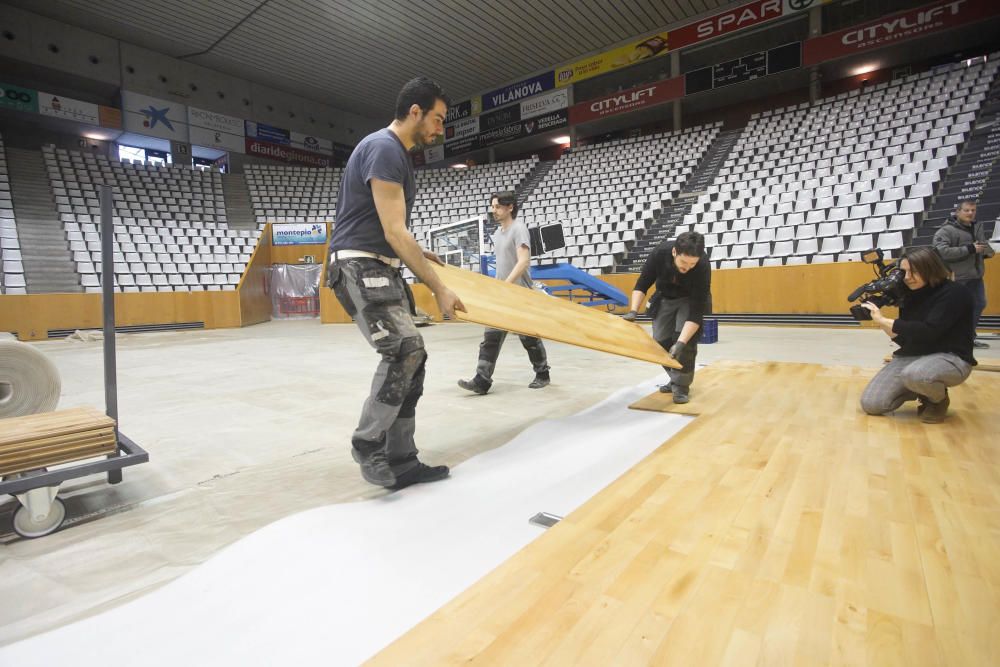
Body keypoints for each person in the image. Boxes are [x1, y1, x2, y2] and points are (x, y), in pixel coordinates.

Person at [327, 76, 465, 489]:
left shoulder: (399, 156)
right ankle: (368, 444)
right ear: (416, 112)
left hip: (380, 264)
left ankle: (402, 460)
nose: (440, 130)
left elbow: (391, 230)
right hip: (359, 264)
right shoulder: (385, 148)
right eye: (438, 120)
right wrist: (439, 287)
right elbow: (393, 230)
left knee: (415, 358)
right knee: (404, 348)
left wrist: (421, 255)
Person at [859, 247, 976, 423]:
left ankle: (937, 400)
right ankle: (919, 387)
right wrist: (879, 322)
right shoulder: (909, 294)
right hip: (913, 355)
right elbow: (904, 340)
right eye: (904, 272)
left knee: (916, 374)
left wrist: (885, 320)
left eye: (913, 272)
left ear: (931, 268)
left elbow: (929, 331)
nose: (907, 278)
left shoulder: (955, 293)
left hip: (951, 357)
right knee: (872, 404)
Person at [457, 192, 550, 395]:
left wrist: (506, 285)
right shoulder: (498, 233)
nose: (494, 210)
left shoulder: (519, 229)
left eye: (497, 206)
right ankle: (482, 379)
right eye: (492, 206)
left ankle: (543, 373)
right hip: (502, 293)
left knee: (529, 338)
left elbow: (523, 260)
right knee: (491, 336)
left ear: (510, 207)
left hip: (519, 293)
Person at [623, 231, 711, 404]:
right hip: (664, 297)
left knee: (684, 345)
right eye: (683, 262)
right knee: (660, 342)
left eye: (692, 264)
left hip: (690, 300)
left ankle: (681, 387)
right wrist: (633, 311)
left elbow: (696, 311)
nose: (687, 267)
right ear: (674, 252)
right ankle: (675, 378)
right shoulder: (659, 253)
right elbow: (642, 283)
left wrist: (681, 343)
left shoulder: (702, 265)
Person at [932, 199, 994, 348]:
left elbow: (982, 246)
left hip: (975, 276)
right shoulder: (946, 230)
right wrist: (970, 249)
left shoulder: (977, 227)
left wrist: (987, 252)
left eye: (973, 210)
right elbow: (941, 251)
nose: (970, 213)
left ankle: (967, 338)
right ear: (958, 212)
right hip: (957, 278)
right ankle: (948, 338)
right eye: (967, 210)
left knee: (979, 304)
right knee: (954, 309)